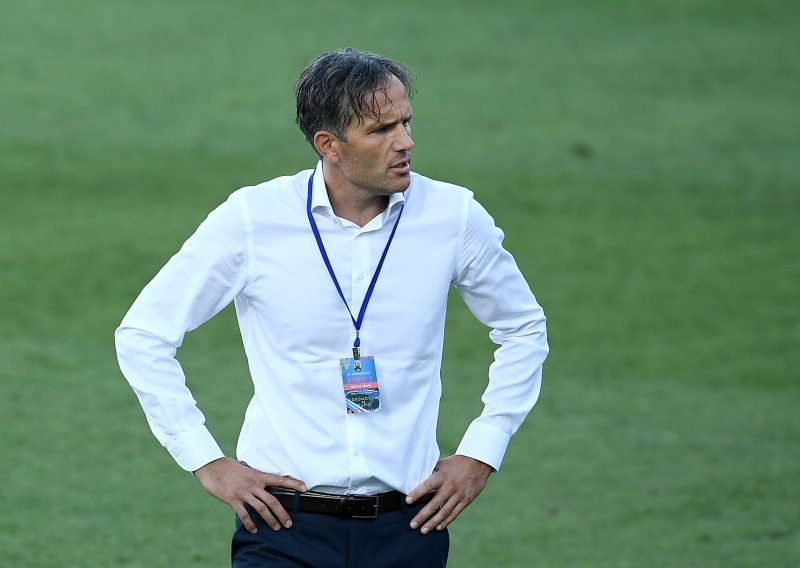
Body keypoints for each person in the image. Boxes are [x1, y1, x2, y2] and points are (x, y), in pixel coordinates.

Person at [115, 47, 548, 567]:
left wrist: (482, 450)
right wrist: (205, 460)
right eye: (381, 129)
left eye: (406, 122)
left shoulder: (453, 217)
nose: (405, 142)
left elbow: (523, 328)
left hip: (409, 528)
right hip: (282, 529)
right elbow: (143, 335)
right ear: (329, 145)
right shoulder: (253, 219)